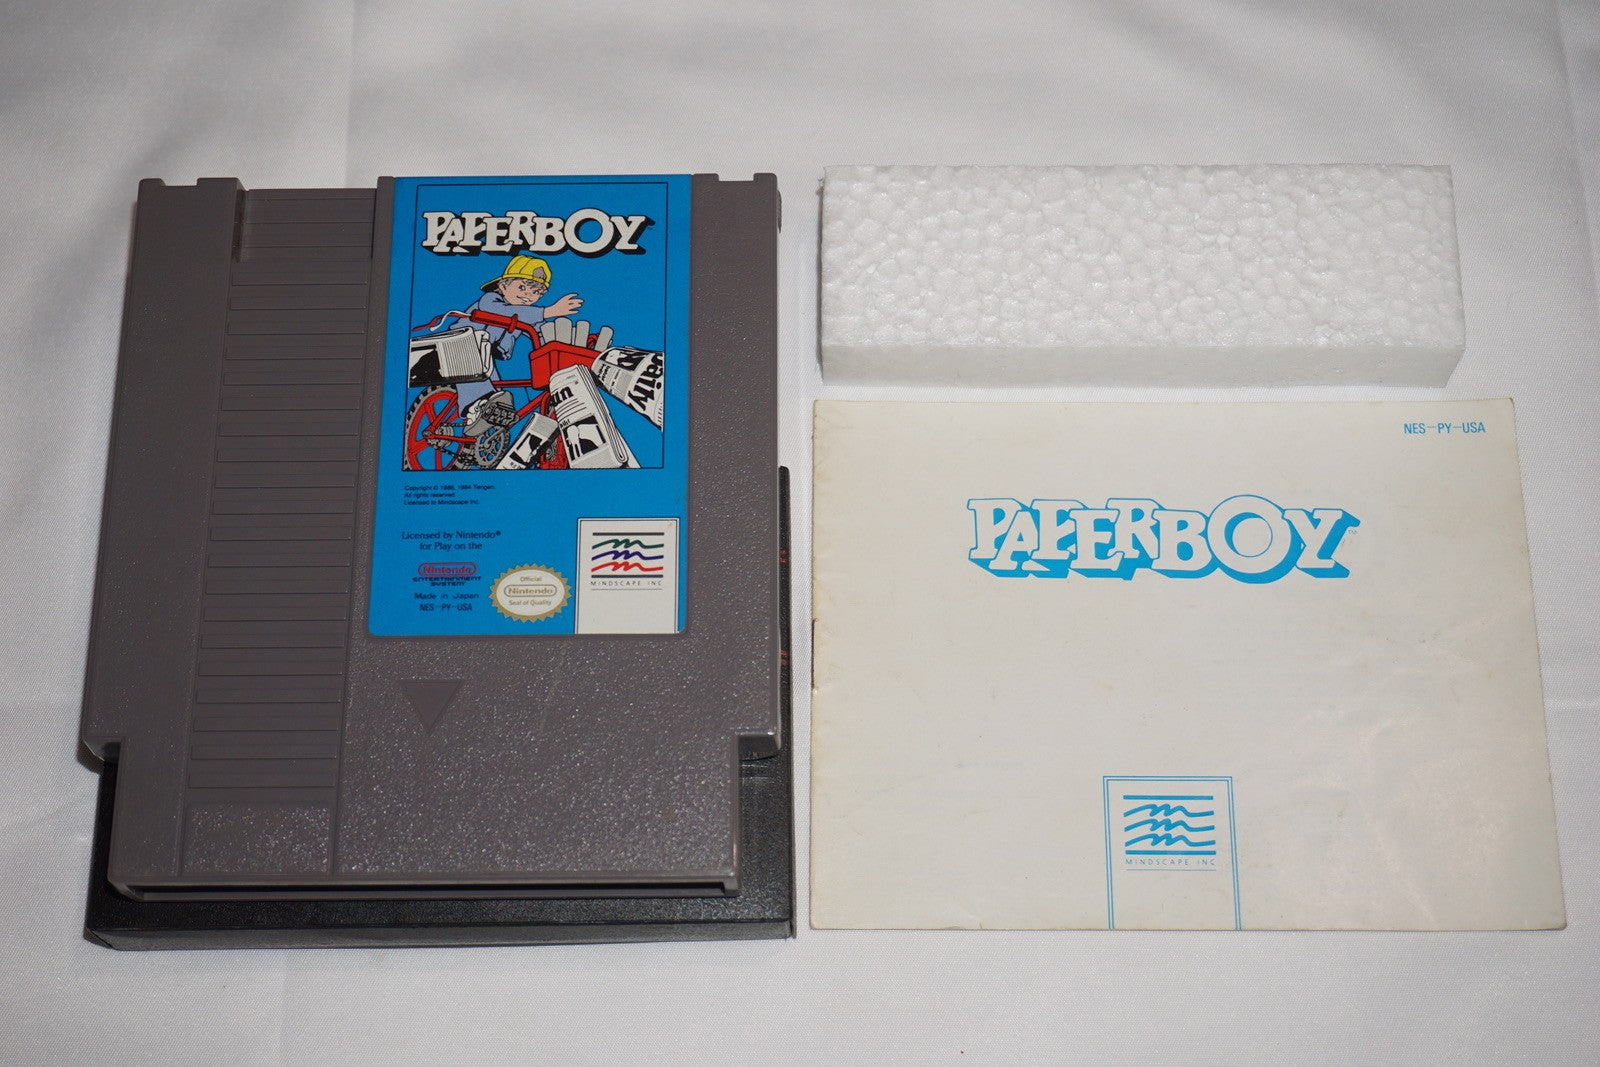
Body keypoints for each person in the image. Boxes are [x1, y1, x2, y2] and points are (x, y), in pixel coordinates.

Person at [458, 256, 583, 433]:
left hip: (487, 352)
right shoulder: (490, 299)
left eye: (536, 293)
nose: (528, 296)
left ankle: (488, 417)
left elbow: (541, 333)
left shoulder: (527, 314)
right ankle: (475, 408)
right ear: (503, 286)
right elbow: (502, 312)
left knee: (497, 391)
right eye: (522, 287)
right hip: (462, 344)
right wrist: (548, 311)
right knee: (476, 373)